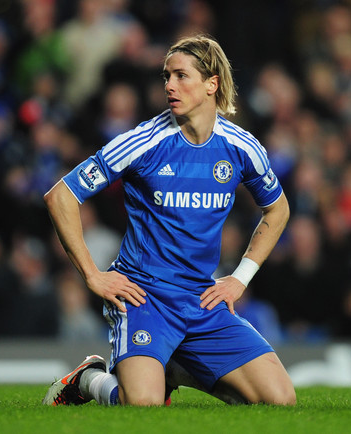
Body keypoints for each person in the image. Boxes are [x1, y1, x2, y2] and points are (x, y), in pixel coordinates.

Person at [41, 34, 296, 407]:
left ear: (212, 84)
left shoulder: (242, 148)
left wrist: (239, 279)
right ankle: (89, 380)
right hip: (145, 297)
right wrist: (93, 275)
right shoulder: (143, 142)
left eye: (181, 76)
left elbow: (278, 209)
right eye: (166, 76)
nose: (169, 86)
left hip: (201, 299)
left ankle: (172, 366)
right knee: (143, 405)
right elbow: (61, 195)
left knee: (280, 401)